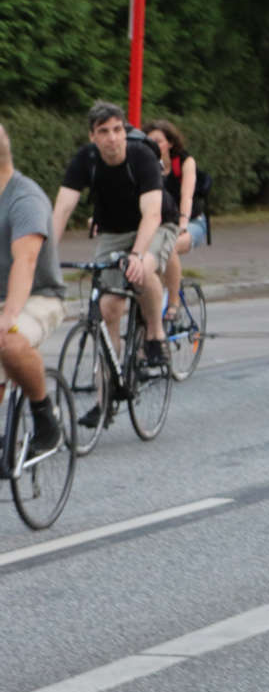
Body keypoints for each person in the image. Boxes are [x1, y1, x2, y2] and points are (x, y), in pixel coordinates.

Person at [52, 102, 175, 398]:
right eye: (104, 131)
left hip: (157, 225)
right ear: (93, 136)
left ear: (124, 131)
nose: (112, 138)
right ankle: (107, 394)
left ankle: (155, 335)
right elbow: (62, 210)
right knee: (108, 308)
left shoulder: (141, 156)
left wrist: (136, 255)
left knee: (143, 269)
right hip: (113, 232)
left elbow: (152, 214)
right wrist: (43, 257)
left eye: (118, 130)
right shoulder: (86, 159)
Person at [0, 124, 67, 456]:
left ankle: (44, 415)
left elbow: (25, 261)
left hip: (37, 296)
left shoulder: (24, 198)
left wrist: (8, 315)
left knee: (9, 341)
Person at [144, 119, 206, 322]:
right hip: (160, 224)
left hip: (192, 222)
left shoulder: (185, 162)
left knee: (168, 246)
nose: (153, 145)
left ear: (170, 143)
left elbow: (187, 196)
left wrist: (183, 224)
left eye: (158, 141)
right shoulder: (146, 164)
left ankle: (173, 303)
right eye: (149, 141)